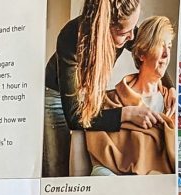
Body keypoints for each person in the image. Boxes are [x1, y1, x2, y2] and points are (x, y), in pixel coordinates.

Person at [43, 0, 156, 177]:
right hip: (55, 94)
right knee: (57, 169)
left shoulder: (126, 28)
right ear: (104, 27)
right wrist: (126, 113)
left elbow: (150, 55)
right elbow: (74, 117)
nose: (132, 37)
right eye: (125, 32)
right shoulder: (71, 37)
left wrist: (171, 88)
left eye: (133, 29)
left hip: (86, 94)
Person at [85, 16, 177, 175]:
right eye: (160, 46)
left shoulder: (172, 103)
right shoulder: (111, 100)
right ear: (142, 54)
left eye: (169, 46)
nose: (166, 54)